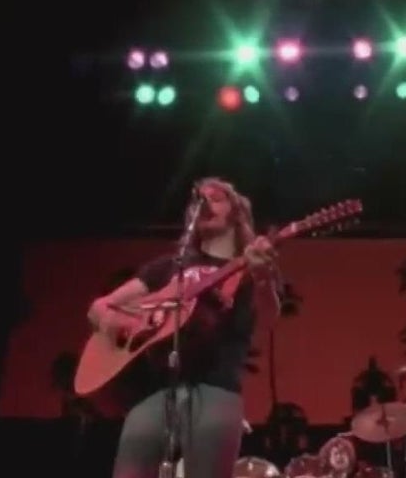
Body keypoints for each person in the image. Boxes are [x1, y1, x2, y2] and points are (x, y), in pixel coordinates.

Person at [87, 178, 282, 478]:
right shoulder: (167, 267)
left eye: (215, 198)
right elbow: (100, 307)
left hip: (217, 390)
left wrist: (263, 279)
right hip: (156, 392)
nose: (204, 204)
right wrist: (116, 323)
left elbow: (268, 319)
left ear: (237, 213)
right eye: (197, 200)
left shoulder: (250, 267)